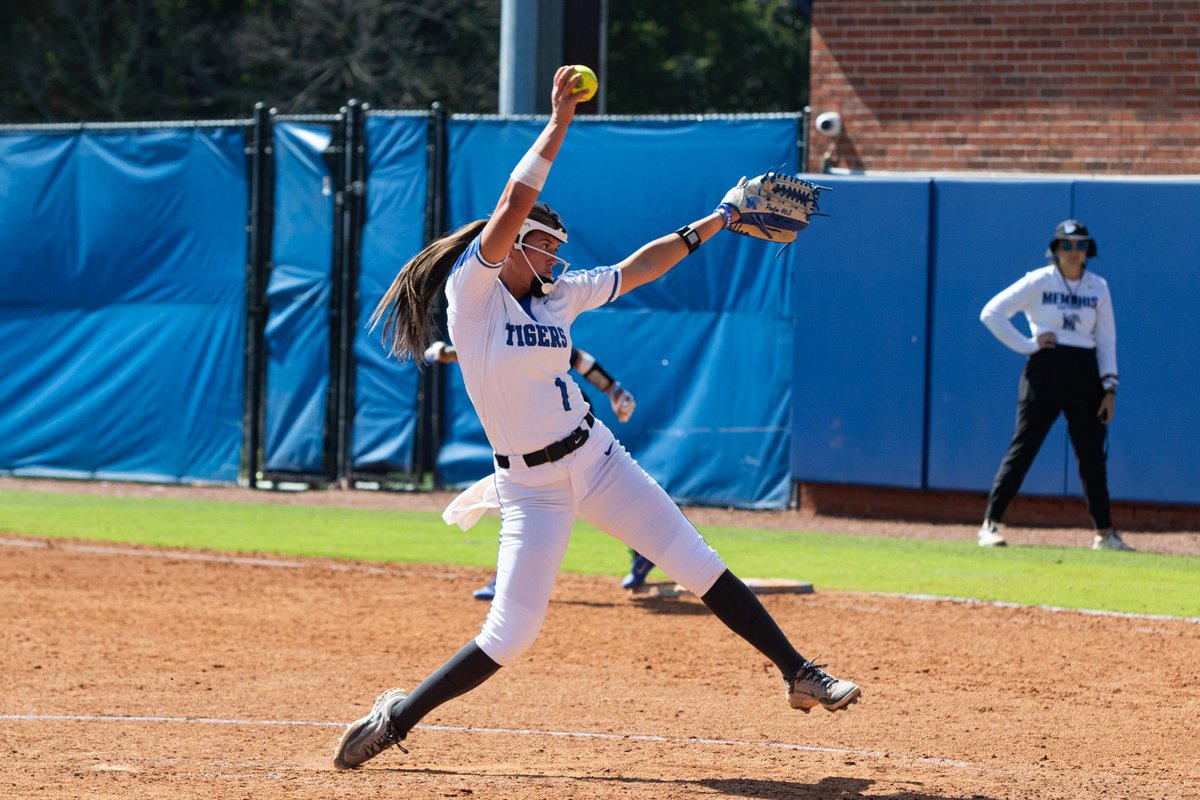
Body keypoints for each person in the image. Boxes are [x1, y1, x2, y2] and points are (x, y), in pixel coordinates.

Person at [332, 65, 860, 772]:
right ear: (515, 245)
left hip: (597, 456)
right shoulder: (476, 294)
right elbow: (518, 200)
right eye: (547, 244)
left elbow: (640, 267)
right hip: (531, 489)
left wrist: (723, 219)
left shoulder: (558, 297)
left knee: (696, 562)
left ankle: (799, 672)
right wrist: (558, 124)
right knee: (511, 633)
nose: (557, 255)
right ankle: (397, 716)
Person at [424, 339, 655, 598]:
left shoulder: (515, 334)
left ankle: (506, 581)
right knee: (589, 495)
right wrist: (613, 389)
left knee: (527, 499)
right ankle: (647, 542)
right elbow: (580, 359)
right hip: (571, 421)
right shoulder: (537, 331)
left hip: (548, 427)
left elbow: (480, 350)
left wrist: (444, 353)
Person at [977, 219, 1131, 551]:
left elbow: (1106, 340)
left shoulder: (1098, 287)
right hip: (1046, 368)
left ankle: (1105, 533)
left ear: (1088, 250)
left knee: (1092, 454)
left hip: (1086, 372)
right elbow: (991, 312)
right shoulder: (1038, 280)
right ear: (1055, 249)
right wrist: (1028, 345)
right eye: (1066, 246)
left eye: (1080, 246)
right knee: (1025, 445)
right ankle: (991, 524)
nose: (1074, 253)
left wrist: (1110, 387)